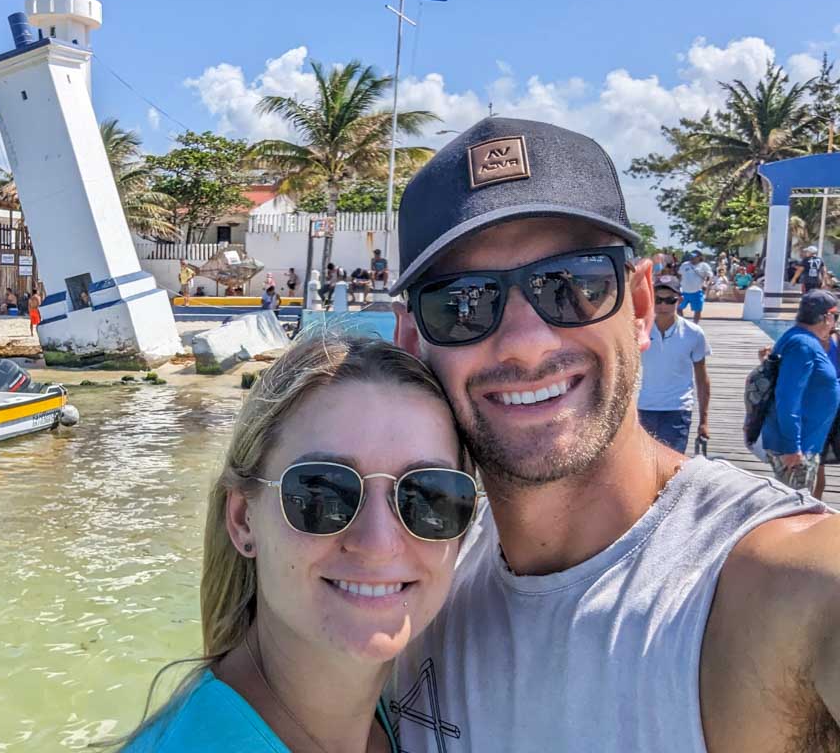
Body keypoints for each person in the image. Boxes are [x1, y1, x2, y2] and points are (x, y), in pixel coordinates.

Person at [389, 116, 840, 751]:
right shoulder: (405, 592)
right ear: (413, 342)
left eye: (572, 284)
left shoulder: (778, 581)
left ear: (636, 305)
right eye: (462, 302)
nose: (524, 343)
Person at [122, 336, 476, 751]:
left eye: (428, 496)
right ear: (243, 519)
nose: (379, 543)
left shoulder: (396, 719)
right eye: (323, 493)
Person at [761, 290, 840, 495]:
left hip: (807, 441)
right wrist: (791, 446)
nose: (835, 324)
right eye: (836, 317)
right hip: (798, 447)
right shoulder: (803, 345)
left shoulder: (799, 339)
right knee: (794, 511)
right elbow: (788, 397)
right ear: (826, 317)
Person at [637, 274, 711, 454]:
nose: (663, 306)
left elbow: (702, 379)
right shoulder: (639, 331)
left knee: (672, 467)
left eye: (670, 300)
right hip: (645, 408)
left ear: (680, 300)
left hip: (678, 410)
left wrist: (704, 421)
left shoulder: (695, 333)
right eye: (658, 300)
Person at [677, 249, 712, 323]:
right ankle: (683, 323)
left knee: (697, 310)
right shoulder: (685, 264)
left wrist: (706, 284)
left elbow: (709, 276)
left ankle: (695, 325)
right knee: (678, 308)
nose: (692, 258)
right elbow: (679, 275)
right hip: (684, 291)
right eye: (691, 256)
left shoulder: (704, 266)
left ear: (699, 257)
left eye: (694, 257)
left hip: (697, 292)